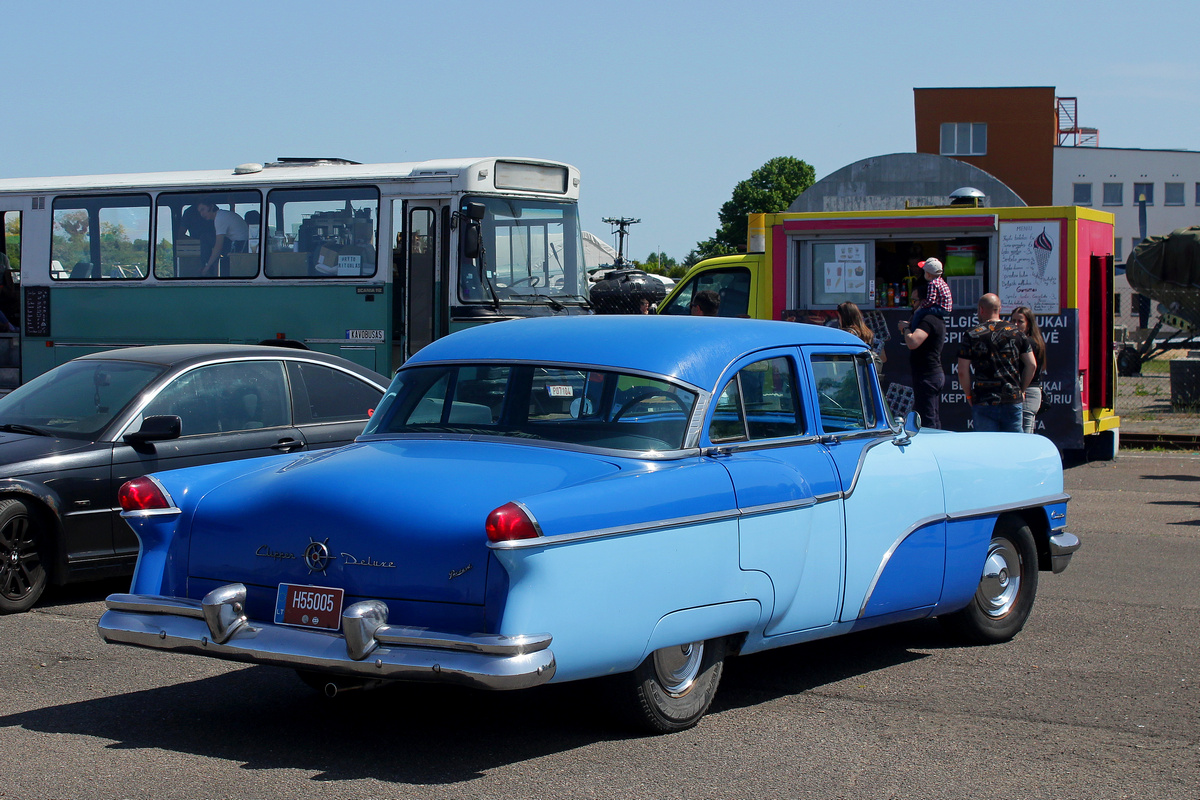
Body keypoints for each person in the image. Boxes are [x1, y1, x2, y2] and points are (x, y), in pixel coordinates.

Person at [957, 293, 1037, 433]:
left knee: (987, 448)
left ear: (981, 309)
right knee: (1014, 446)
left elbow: (963, 370)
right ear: (999, 309)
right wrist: (1021, 390)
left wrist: (969, 395)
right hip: (1012, 399)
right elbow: (1032, 365)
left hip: (983, 400)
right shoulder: (1016, 332)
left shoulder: (972, 334)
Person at [898, 282, 946, 428]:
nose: (912, 305)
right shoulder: (928, 319)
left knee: (928, 419)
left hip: (928, 376)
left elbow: (913, 342)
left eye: (914, 301)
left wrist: (906, 328)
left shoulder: (929, 320)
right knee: (929, 415)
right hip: (927, 375)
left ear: (925, 301)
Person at [1010, 306, 1047, 434]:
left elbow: (1031, 366)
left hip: (1028, 392)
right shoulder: (1031, 340)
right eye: (1013, 320)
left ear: (1028, 324)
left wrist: (1022, 390)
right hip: (1027, 392)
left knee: (1025, 436)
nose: (1015, 324)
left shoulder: (1029, 342)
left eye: (1020, 321)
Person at [197, 202, 249, 277]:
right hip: (239, 244)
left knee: (204, 238)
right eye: (200, 212)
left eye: (203, 209)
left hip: (240, 246)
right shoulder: (222, 215)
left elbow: (218, 246)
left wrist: (207, 267)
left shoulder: (220, 218)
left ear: (211, 207)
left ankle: (206, 268)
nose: (202, 214)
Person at [908, 257, 953, 332]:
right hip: (945, 308)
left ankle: (912, 331)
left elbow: (930, 301)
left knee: (918, 313)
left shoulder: (932, 283)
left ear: (928, 274)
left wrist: (922, 306)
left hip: (941, 309)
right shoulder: (940, 281)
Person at [836, 301, 886, 368]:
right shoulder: (867, 333)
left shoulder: (848, 334)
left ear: (844, 318)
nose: (839, 320)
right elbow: (883, 358)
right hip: (865, 370)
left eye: (839, 317)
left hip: (851, 370)